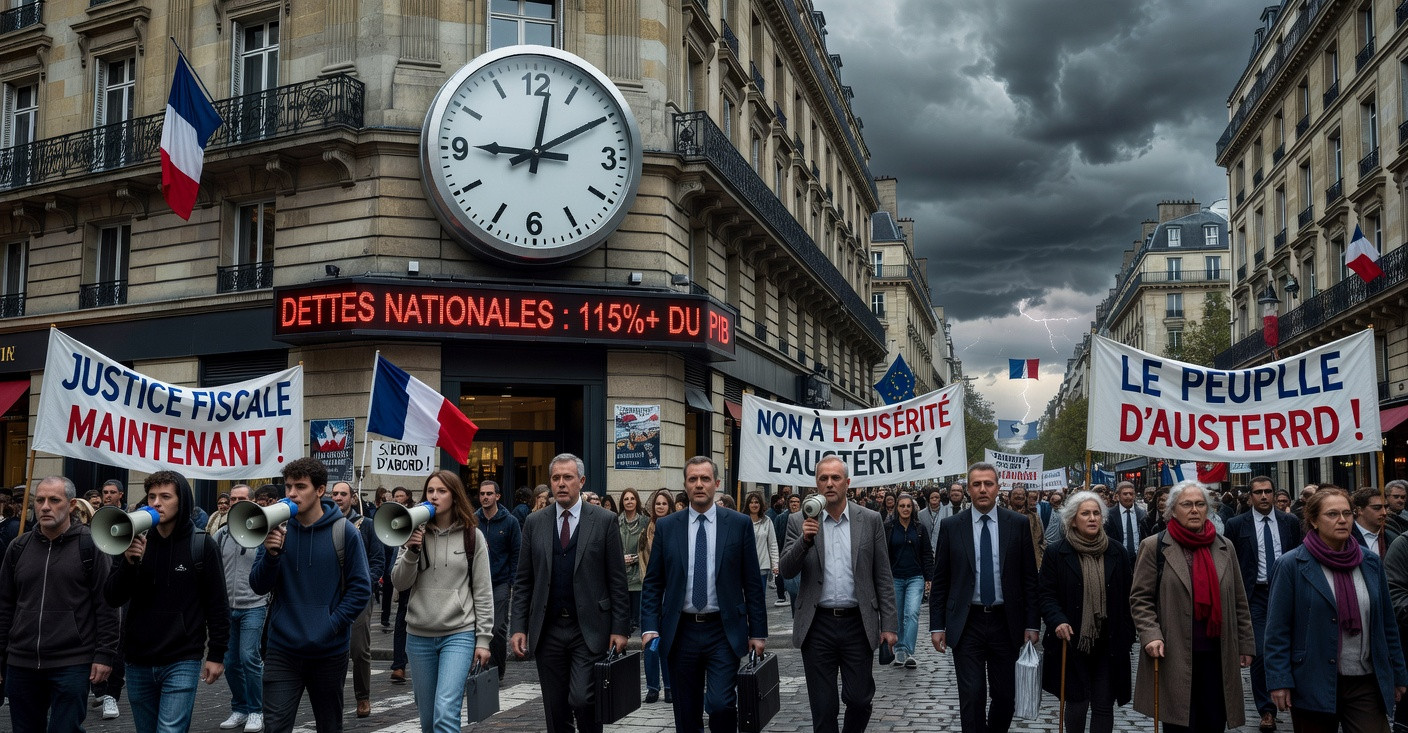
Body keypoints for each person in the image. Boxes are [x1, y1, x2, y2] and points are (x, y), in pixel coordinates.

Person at [640, 457, 767, 732]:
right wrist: (649, 626)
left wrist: (758, 633)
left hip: (723, 630)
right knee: (686, 714)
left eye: (705, 479)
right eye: (693, 479)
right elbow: (653, 583)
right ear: (685, 485)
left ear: (717, 484)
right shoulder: (667, 527)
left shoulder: (738, 524)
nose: (699, 484)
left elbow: (753, 583)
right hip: (681, 631)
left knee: (721, 705)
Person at [1266, 486, 1408, 731]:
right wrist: (1279, 680)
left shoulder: (1370, 562)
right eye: (1332, 514)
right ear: (1313, 520)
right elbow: (1277, 629)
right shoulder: (1291, 564)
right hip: (1312, 679)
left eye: (1347, 513)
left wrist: (1397, 673)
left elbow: (1387, 624)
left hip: (1365, 681)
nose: (1342, 520)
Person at [249, 457, 371, 733]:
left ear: (319, 490)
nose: (291, 493)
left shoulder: (345, 532)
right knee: (275, 726)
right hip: (282, 648)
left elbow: (361, 588)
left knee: (329, 726)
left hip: (329, 651)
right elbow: (258, 585)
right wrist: (270, 555)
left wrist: (330, 625)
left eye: (300, 486)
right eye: (288, 486)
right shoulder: (277, 529)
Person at [511, 453, 630, 733]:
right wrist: (518, 627)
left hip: (588, 627)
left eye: (568, 477)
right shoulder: (534, 522)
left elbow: (617, 581)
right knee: (555, 707)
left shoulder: (604, 521)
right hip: (549, 627)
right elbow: (524, 580)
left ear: (581, 481)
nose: (561, 483)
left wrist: (620, 628)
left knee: (583, 698)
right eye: (556, 478)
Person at [104, 470, 230, 733]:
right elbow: (112, 596)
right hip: (138, 658)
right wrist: (128, 563)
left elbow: (217, 604)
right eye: (151, 496)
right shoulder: (132, 539)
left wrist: (216, 653)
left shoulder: (202, 545)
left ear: (181, 500)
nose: (156, 503)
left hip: (182, 657)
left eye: (165, 496)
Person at [780, 456, 898, 733]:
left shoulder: (869, 519)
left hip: (857, 622)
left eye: (835, 478)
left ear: (847, 483)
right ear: (816, 484)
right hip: (816, 624)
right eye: (823, 478)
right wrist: (804, 541)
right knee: (823, 708)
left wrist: (890, 625)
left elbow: (882, 574)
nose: (829, 484)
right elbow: (786, 570)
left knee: (859, 699)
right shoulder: (799, 521)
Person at [1129, 479, 1253, 732]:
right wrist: (1151, 635)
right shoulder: (1154, 546)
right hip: (1173, 653)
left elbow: (1239, 599)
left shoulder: (1224, 546)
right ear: (1173, 510)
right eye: (1187, 504)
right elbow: (1140, 599)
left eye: (1200, 504)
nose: (1194, 510)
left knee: (1213, 721)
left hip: (1217, 654)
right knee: (1179, 723)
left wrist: (1246, 643)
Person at [0, 476, 120, 732]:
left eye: (54, 500)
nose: (45, 506)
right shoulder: (18, 547)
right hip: (21, 662)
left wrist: (105, 654)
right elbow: (5, 606)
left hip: (72, 662)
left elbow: (107, 605)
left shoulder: (91, 546)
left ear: (72, 505)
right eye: (40, 500)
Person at [929, 462, 1040, 733]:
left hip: (1006, 622)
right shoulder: (952, 526)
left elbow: (1029, 578)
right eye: (976, 484)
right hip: (967, 623)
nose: (982, 489)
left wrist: (1032, 623)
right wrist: (937, 625)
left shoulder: (1018, 524)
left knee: (1005, 696)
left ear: (997, 487)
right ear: (968, 489)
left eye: (988, 484)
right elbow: (941, 579)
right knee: (972, 694)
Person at [392, 471, 494, 733]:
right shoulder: (412, 531)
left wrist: (483, 640)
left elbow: (482, 591)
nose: (434, 496)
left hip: (458, 633)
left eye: (441, 491)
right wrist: (412, 551)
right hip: (418, 635)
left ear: (454, 495)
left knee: (446, 712)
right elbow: (399, 583)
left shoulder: (473, 536)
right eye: (430, 491)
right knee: (428, 719)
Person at [1038, 490, 1134, 733]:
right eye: (1085, 514)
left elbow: (1128, 597)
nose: (1092, 518)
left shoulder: (1117, 551)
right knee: (1077, 702)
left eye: (1096, 513)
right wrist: (1057, 620)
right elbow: (1046, 595)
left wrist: (1127, 633)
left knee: (1103, 704)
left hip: (1108, 643)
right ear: (1072, 519)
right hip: (1071, 641)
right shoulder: (1056, 553)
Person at [1224, 474, 1303, 732]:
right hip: (1254, 595)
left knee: (1293, 647)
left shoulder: (1290, 522)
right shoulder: (1237, 524)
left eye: (1268, 491)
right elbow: (1230, 562)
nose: (1264, 496)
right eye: (1258, 492)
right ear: (1250, 496)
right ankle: (1266, 709)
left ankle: (1295, 699)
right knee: (1259, 652)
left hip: (1286, 592)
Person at [213, 482, 269, 732]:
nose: (235, 503)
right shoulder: (222, 534)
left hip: (254, 605)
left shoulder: (263, 530)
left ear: (253, 502)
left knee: (249, 658)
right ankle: (240, 707)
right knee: (231, 661)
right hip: (227, 608)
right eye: (232, 499)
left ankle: (257, 711)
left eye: (240, 499)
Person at [330, 480, 385, 718]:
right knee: (331, 649)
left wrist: (366, 584)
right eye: (335, 494)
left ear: (353, 498)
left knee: (359, 648)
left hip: (358, 594)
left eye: (343, 494)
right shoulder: (325, 523)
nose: (338, 497)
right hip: (331, 595)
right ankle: (333, 696)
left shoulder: (367, 525)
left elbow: (378, 560)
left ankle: (363, 696)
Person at [474, 479, 521, 681]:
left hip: (499, 581)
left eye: (489, 494)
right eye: (482, 494)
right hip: (475, 583)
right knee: (475, 626)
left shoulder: (510, 522)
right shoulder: (473, 520)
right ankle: (479, 667)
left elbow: (516, 553)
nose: (485, 497)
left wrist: (512, 582)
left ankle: (496, 670)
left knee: (497, 627)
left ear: (497, 496)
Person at [885, 493, 932, 668]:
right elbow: (884, 555)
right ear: (897, 508)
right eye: (902, 506)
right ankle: (899, 651)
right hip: (895, 578)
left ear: (913, 509)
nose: (905, 509)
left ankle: (908, 651)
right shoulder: (889, 528)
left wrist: (929, 577)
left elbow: (927, 553)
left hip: (915, 577)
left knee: (911, 613)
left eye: (908, 506)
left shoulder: (920, 528)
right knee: (897, 615)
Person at [639, 487, 675, 702]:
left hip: (670, 591)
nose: (660, 507)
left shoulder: (676, 528)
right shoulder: (647, 531)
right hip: (651, 590)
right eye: (657, 504)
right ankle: (653, 686)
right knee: (651, 642)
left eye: (664, 503)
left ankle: (670, 686)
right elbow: (642, 557)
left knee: (668, 642)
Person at [388, 485, 415, 683]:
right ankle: (399, 665)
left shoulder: (415, 513)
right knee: (401, 621)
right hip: (406, 572)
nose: (397, 498)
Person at [743, 491, 780, 615]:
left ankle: (758, 628)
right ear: (747, 504)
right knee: (744, 599)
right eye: (752, 502)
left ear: (761, 504)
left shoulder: (767, 521)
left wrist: (775, 564)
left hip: (762, 567)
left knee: (759, 600)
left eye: (757, 502)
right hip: (744, 568)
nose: (754, 505)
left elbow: (772, 544)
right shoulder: (742, 520)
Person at [617, 488, 647, 633]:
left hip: (638, 575)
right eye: (626, 499)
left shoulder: (645, 522)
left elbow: (647, 548)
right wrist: (620, 558)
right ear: (622, 502)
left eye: (632, 499)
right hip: (620, 574)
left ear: (637, 501)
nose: (629, 502)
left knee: (637, 618)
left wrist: (635, 558)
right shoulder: (615, 522)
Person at [1353, 486, 1400, 557]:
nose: (1384, 513)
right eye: (1377, 508)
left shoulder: (1392, 537)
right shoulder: (1345, 537)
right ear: (1359, 510)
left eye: (1385, 507)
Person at [1105, 481, 1146, 560]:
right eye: (1125, 494)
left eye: (1131, 494)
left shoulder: (1142, 513)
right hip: (1118, 558)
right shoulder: (1110, 514)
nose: (1128, 497)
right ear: (1118, 496)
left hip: (1139, 558)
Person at [1007, 485, 1046, 567]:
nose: (1019, 496)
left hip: (1031, 561)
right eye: (1015, 494)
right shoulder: (1003, 516)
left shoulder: (1034, 517)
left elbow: (1041, 540)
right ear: (1009, 497)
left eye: (1022, 494)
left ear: (1025, 498)